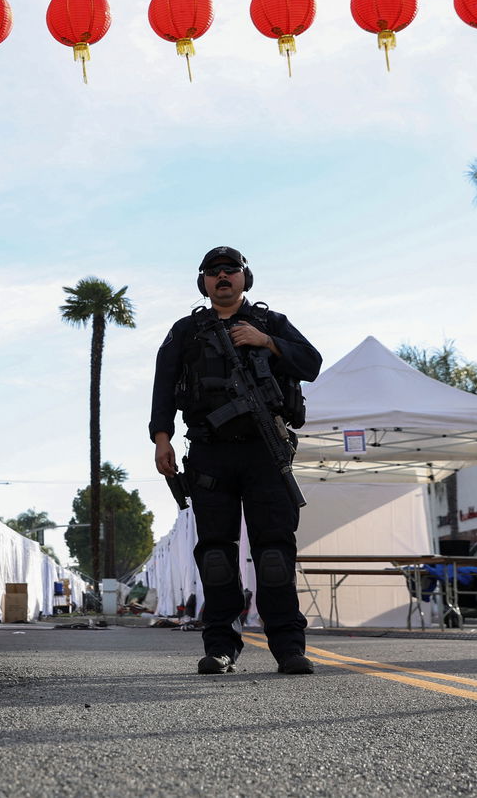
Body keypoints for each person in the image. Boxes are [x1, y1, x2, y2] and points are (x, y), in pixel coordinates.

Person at [149, 246, 322, 676]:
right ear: (203, 282)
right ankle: (221, 646)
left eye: (231, 270)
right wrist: (162, 438)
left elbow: (312, 364)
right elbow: (164, 386)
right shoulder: (186, 331)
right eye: (213, 272)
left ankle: (288, 647)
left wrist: (266, 342)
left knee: (274, 554)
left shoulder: (269, 323)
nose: (222, 276)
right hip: (210, 453)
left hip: (265, 452)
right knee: (216, 555)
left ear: (246, 278)